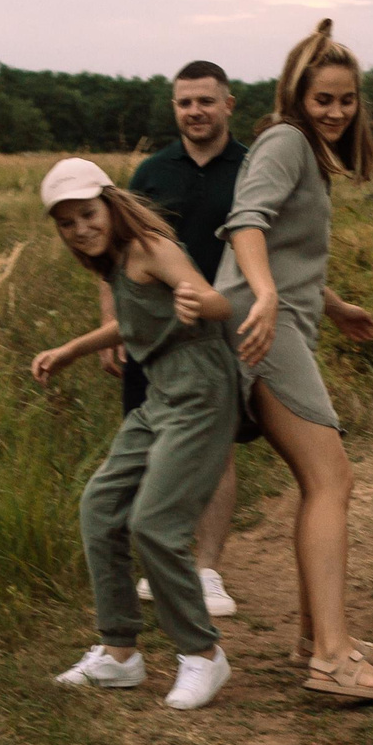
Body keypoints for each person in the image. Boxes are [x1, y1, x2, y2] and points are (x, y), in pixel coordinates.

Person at [218, 20, 373, 701]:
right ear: (297, 94)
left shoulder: (305, 151)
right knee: (332, 478)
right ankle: (331, 657)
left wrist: (331, 303)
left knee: (320, 480)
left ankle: (317, 636)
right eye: (323, 98)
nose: (335, 111)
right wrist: (266, 293)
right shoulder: (284, 140)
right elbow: (246, 221)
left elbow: (288, 251)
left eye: (346, 99)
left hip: (281, 323)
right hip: (260, 331)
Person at [29, 159, 239, 710]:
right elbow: (137, 320)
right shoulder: (114, 262)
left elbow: (219, 301)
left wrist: (203, 302)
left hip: (200, 392)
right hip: (160, 396)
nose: (80, 229)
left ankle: (203, 655)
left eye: (88, 215)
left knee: (154, 524)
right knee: (99, 507)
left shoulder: (149, 246)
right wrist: (73, 349)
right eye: (67, 223)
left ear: (110, 204)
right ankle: (120, 654)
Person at [106, 62, 248, 619]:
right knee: (148, 444)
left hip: (222, 332)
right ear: (174, 108)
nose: (195, 112)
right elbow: (113, 258)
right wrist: (112, 334)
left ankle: (208, 571)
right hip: (153, 339)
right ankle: (162, 565)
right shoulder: (150, 173)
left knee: (216, 448)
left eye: (205, 101)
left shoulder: (251, 169)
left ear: (228, 104)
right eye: (185, 103)